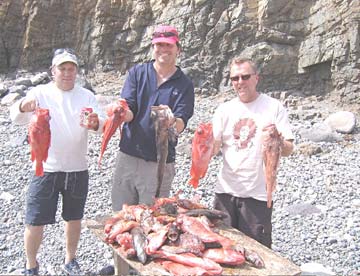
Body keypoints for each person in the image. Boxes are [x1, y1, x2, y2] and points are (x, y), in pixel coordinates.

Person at [10, 49, 104, 275]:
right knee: (35, 220)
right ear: (53, 71)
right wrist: (24, 105)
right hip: (45, 168)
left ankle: (70, 260)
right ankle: (31, 265)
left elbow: (102, 125)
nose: (67, 73)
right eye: (62, 68)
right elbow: (16, 117)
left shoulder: (86, 96)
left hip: (77, 168)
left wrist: (94, 123)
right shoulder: (40, 92)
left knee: (74, 218)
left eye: (71, 69)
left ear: (77, 72)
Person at [212, 57, 294, 248]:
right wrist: (204, 144)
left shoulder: (274, 107)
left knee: (257, 251)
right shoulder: (224, 110)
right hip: (225, 191)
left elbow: (289, 149)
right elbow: (214, 146)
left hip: (257, 195)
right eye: (234, 78)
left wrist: (277, 139)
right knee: (222, 248)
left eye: (245, 76)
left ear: (256, 78)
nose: (240, 82)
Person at [111, 25, 195, 211]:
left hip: (160, 163)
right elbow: (130, 109)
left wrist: (172, 121)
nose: (163, 49)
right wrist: (122, 112)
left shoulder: (185, 84)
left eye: (169, 45)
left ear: (178, 49)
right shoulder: (137, 73)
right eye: (159, 45)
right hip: (128, 156)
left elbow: (181, 122)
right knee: (120, 216)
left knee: (153, 220)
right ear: (152, 48)